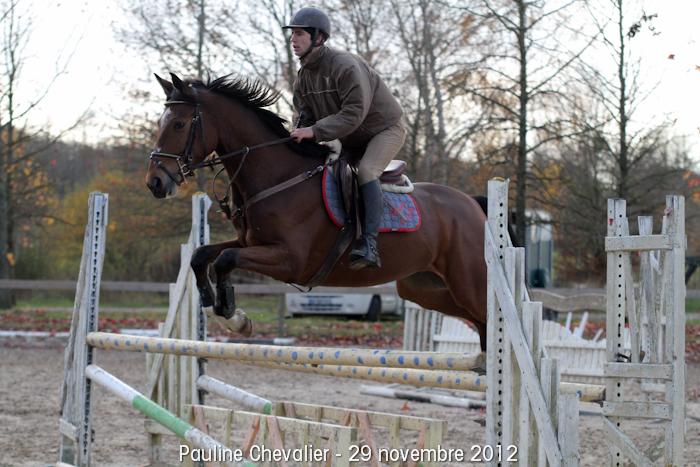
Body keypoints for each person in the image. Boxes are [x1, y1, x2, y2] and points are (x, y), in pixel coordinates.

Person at [283, 7, 406, 270]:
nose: (293, 39)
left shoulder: (345, 65)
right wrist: (297, 134)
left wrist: (314, 131)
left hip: (384, 129)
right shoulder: (303, 77)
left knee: (366, 171)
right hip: (351, 138)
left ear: (318, 37)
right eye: (292, 34)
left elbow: (353, 113)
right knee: (326, 173)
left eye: (300, 34)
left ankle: (370, 244)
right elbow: (303, 115)